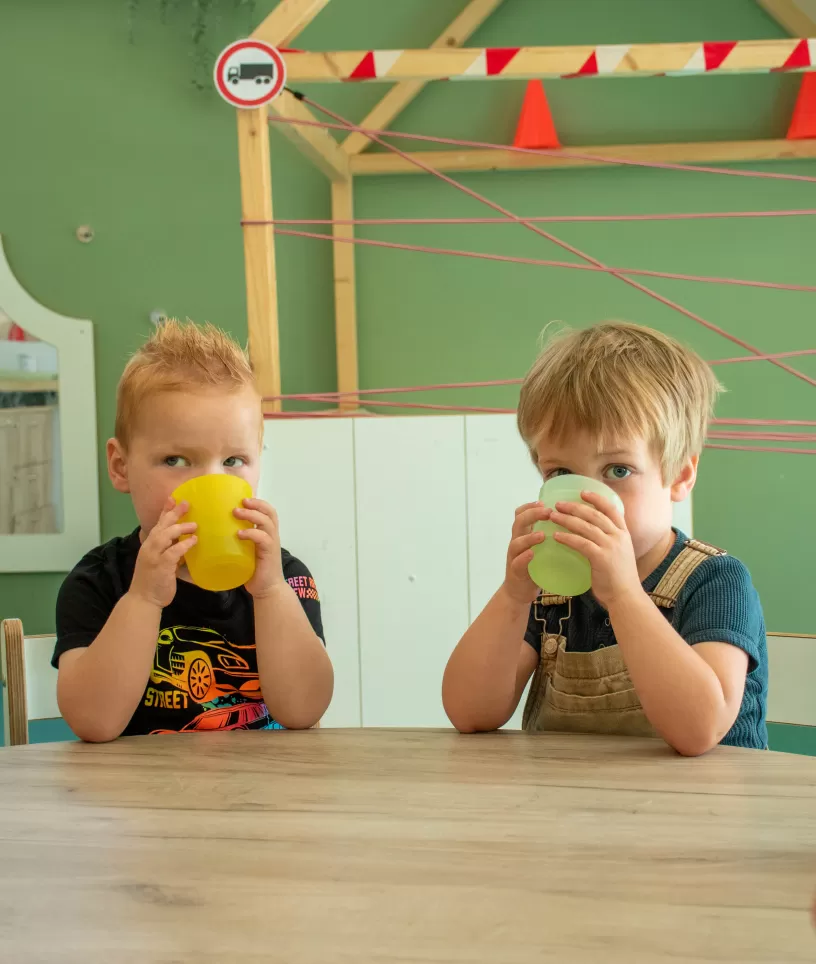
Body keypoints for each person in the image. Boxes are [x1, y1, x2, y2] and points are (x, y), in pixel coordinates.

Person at [443, 322, 767, 755]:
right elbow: (470, 713)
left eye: (618, 471)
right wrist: (513, 596)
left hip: (702, 813)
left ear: (679, 476)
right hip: (576, 808)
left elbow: (699, 729)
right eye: (561, 474)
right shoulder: (551, 593)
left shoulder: (714, 583)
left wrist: (625, 596)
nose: (588, 497)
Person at [54, 319, 333, 741]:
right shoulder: (99, 581)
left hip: (263, 795)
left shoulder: (285, 576)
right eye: (176, 461)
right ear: (121, 466)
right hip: (142, 799)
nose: (209, 481)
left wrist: (271, 591)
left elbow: (304, 711)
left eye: (234, 461)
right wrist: (145, 597)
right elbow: (93, 722)